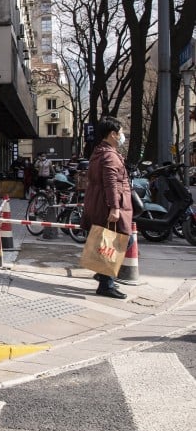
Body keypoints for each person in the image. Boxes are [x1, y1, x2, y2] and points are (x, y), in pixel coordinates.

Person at [81, 116, 132, 300]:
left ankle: (103, 276)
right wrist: (115, 207)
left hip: (97, 203)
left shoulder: (98, 152)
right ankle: (105, 283)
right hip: (107, 205)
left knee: (108, 241)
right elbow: (111, 183)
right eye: (120, 133)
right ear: (112, 134)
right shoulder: (109, 155)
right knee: (118, 241)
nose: (122, 136)